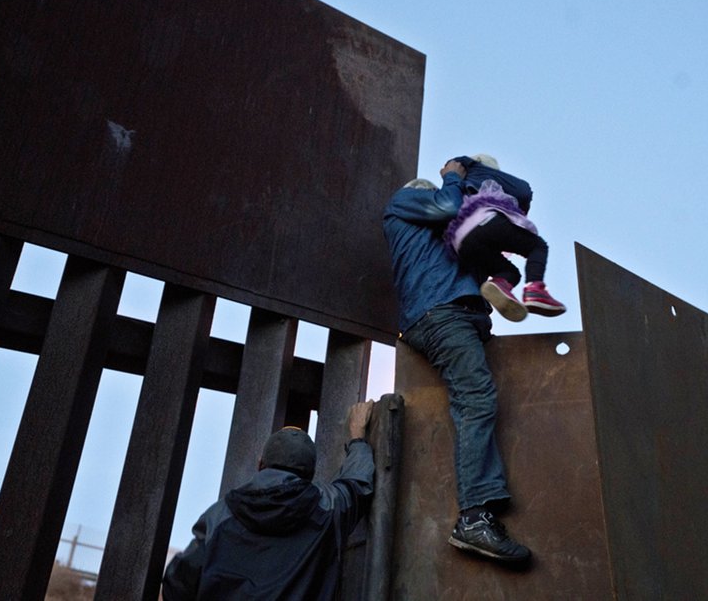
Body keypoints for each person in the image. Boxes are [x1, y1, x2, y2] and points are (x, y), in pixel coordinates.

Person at [382, 160, 531, 564]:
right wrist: (454, 177)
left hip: (453, 312)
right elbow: (447, 206)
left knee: (502, 268)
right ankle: (474, 518)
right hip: (440, 313)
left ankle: (477, 512)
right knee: (476, 399)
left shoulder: (436, 243)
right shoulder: (403, 201)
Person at [161, 401, 375, 600]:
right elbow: (357, 484)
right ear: (310, 474)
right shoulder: (327, 507)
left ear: (260, 463)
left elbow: (178, 582)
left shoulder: (219, 515)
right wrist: (357, 437)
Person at [443, 153, 565, 322]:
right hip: (486, 221)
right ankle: (535, 290)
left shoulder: (457, 186)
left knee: (511, 273)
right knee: (537, 246)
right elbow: (523, 191)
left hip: (460, 243)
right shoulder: (483, 173)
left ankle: (499, 284)